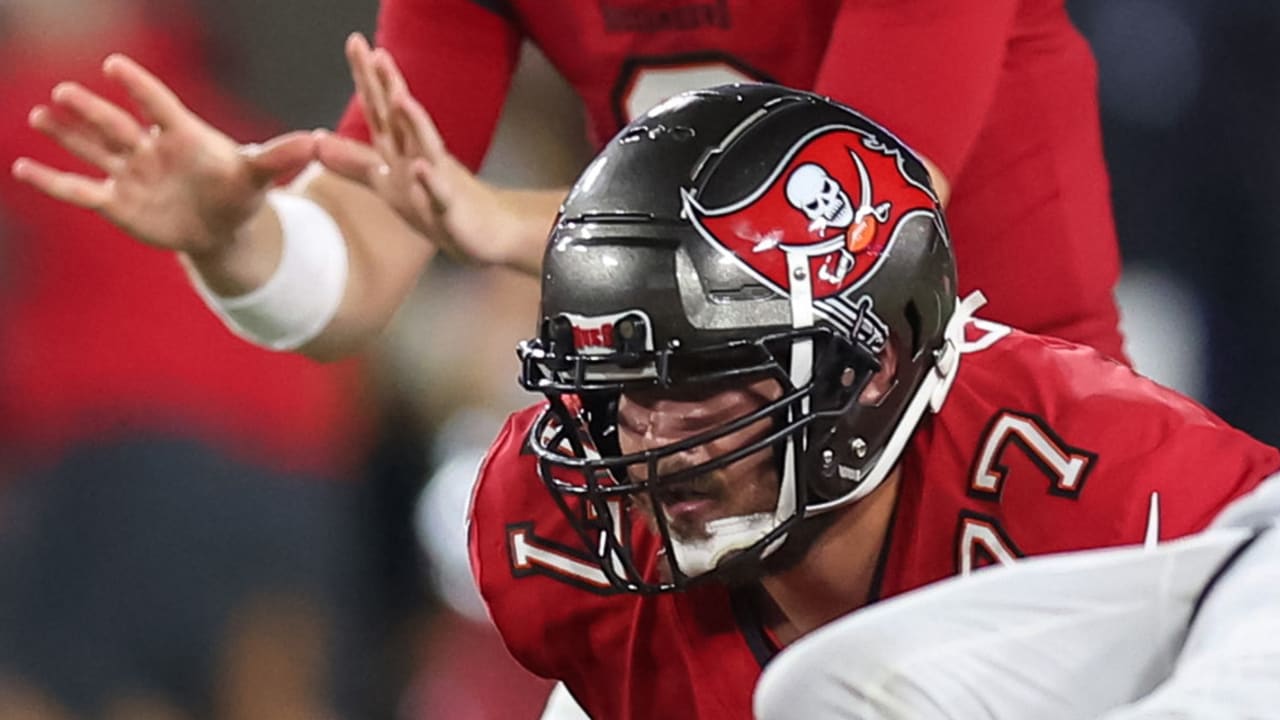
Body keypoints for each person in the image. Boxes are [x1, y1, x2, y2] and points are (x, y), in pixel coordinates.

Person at [465, 84, 1279, 719]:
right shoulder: (551, 537)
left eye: (694, 377)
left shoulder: (1083, 471)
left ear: (877, 364)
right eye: (619, 389)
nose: (645, 437)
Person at [11, 0, 1125, 368]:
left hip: (1002, 431)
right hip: (730, 470)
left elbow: (850, 208)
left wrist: (503, 222)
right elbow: (356, 260)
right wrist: (236, 236)